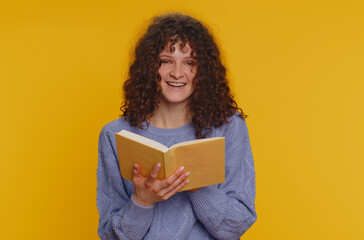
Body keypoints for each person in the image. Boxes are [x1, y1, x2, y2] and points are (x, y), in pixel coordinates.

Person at [97, 13, 256, 239]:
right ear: (149, 66)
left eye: (190, 62)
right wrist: (142, 201)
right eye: (166, 61)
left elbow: (235, 227)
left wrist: (197, 187)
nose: (177, 73)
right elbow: (111, 235)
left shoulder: (229, 128)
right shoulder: (114, 135)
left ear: (204, 70)